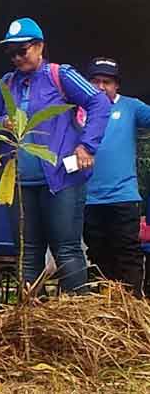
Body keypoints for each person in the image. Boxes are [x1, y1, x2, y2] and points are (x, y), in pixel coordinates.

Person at [0, 18, 111, 295]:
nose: (16, 57)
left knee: (66, 248)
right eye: (11, 52)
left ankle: (78, 317)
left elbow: (99, 101)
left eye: (22, 50)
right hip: (20, 181)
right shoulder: (7, 83)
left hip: (61, 178)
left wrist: (87, 145)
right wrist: (3, 121)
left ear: (39, 46)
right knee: (28, 252)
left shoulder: (60, 74)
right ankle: (31, 321)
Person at [84, 57, 150, 297]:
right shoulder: (78, 110)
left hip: (123, 198)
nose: (101, 87)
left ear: (117, 85)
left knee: (128, 255)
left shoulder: (131, 107)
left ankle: (132, 312)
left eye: (107, 82)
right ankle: (105, 315)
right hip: (88, 200)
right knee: (98, 257)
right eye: (95, 81)